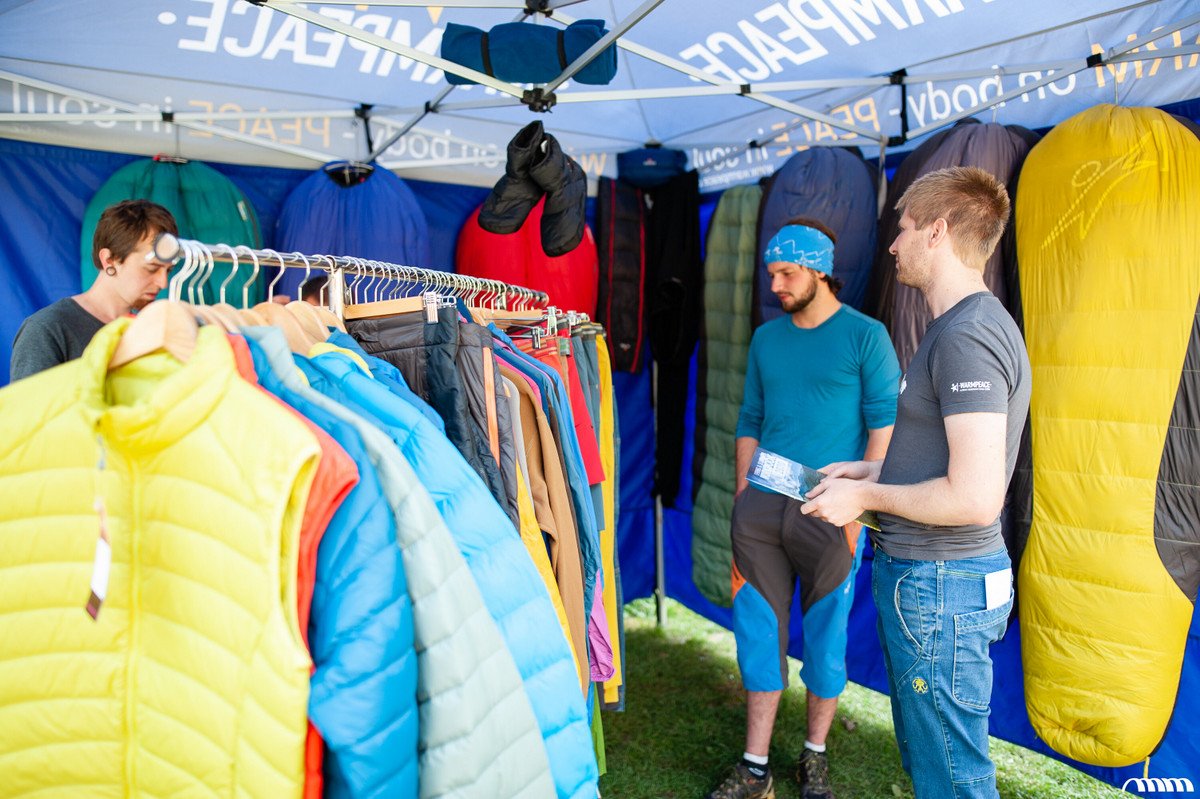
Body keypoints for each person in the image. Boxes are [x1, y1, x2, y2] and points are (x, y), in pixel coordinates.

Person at [801, 167, 1031, 798]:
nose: (893, 244)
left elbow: (975, 497)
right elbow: (953, 466)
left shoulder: (968, 335)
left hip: (941, 587)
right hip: (938, 586)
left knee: (953, 781)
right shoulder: (962, 326)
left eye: (902, 229)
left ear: (937, 231)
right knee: (936, 770)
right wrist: (871, 471)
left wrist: (865, 497)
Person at [708, 220, 901, 799]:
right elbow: (750, 418)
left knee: (826, 639)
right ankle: (755, 767)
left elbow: (884, 429)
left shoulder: (866, 336)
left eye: (787, 273)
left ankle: (813, 756)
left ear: (819, 270)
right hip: (761, 513)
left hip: (830, 512)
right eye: (772, 274)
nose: (776, 286)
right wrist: (743, 493)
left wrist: (862, 506)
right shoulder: (767, 339)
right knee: (756, 633)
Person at [9, 199, 179, 382]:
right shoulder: (47, 330)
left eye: (168, 270)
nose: (163, 283)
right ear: (109, 260)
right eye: (152, 269)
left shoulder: (150, 332)